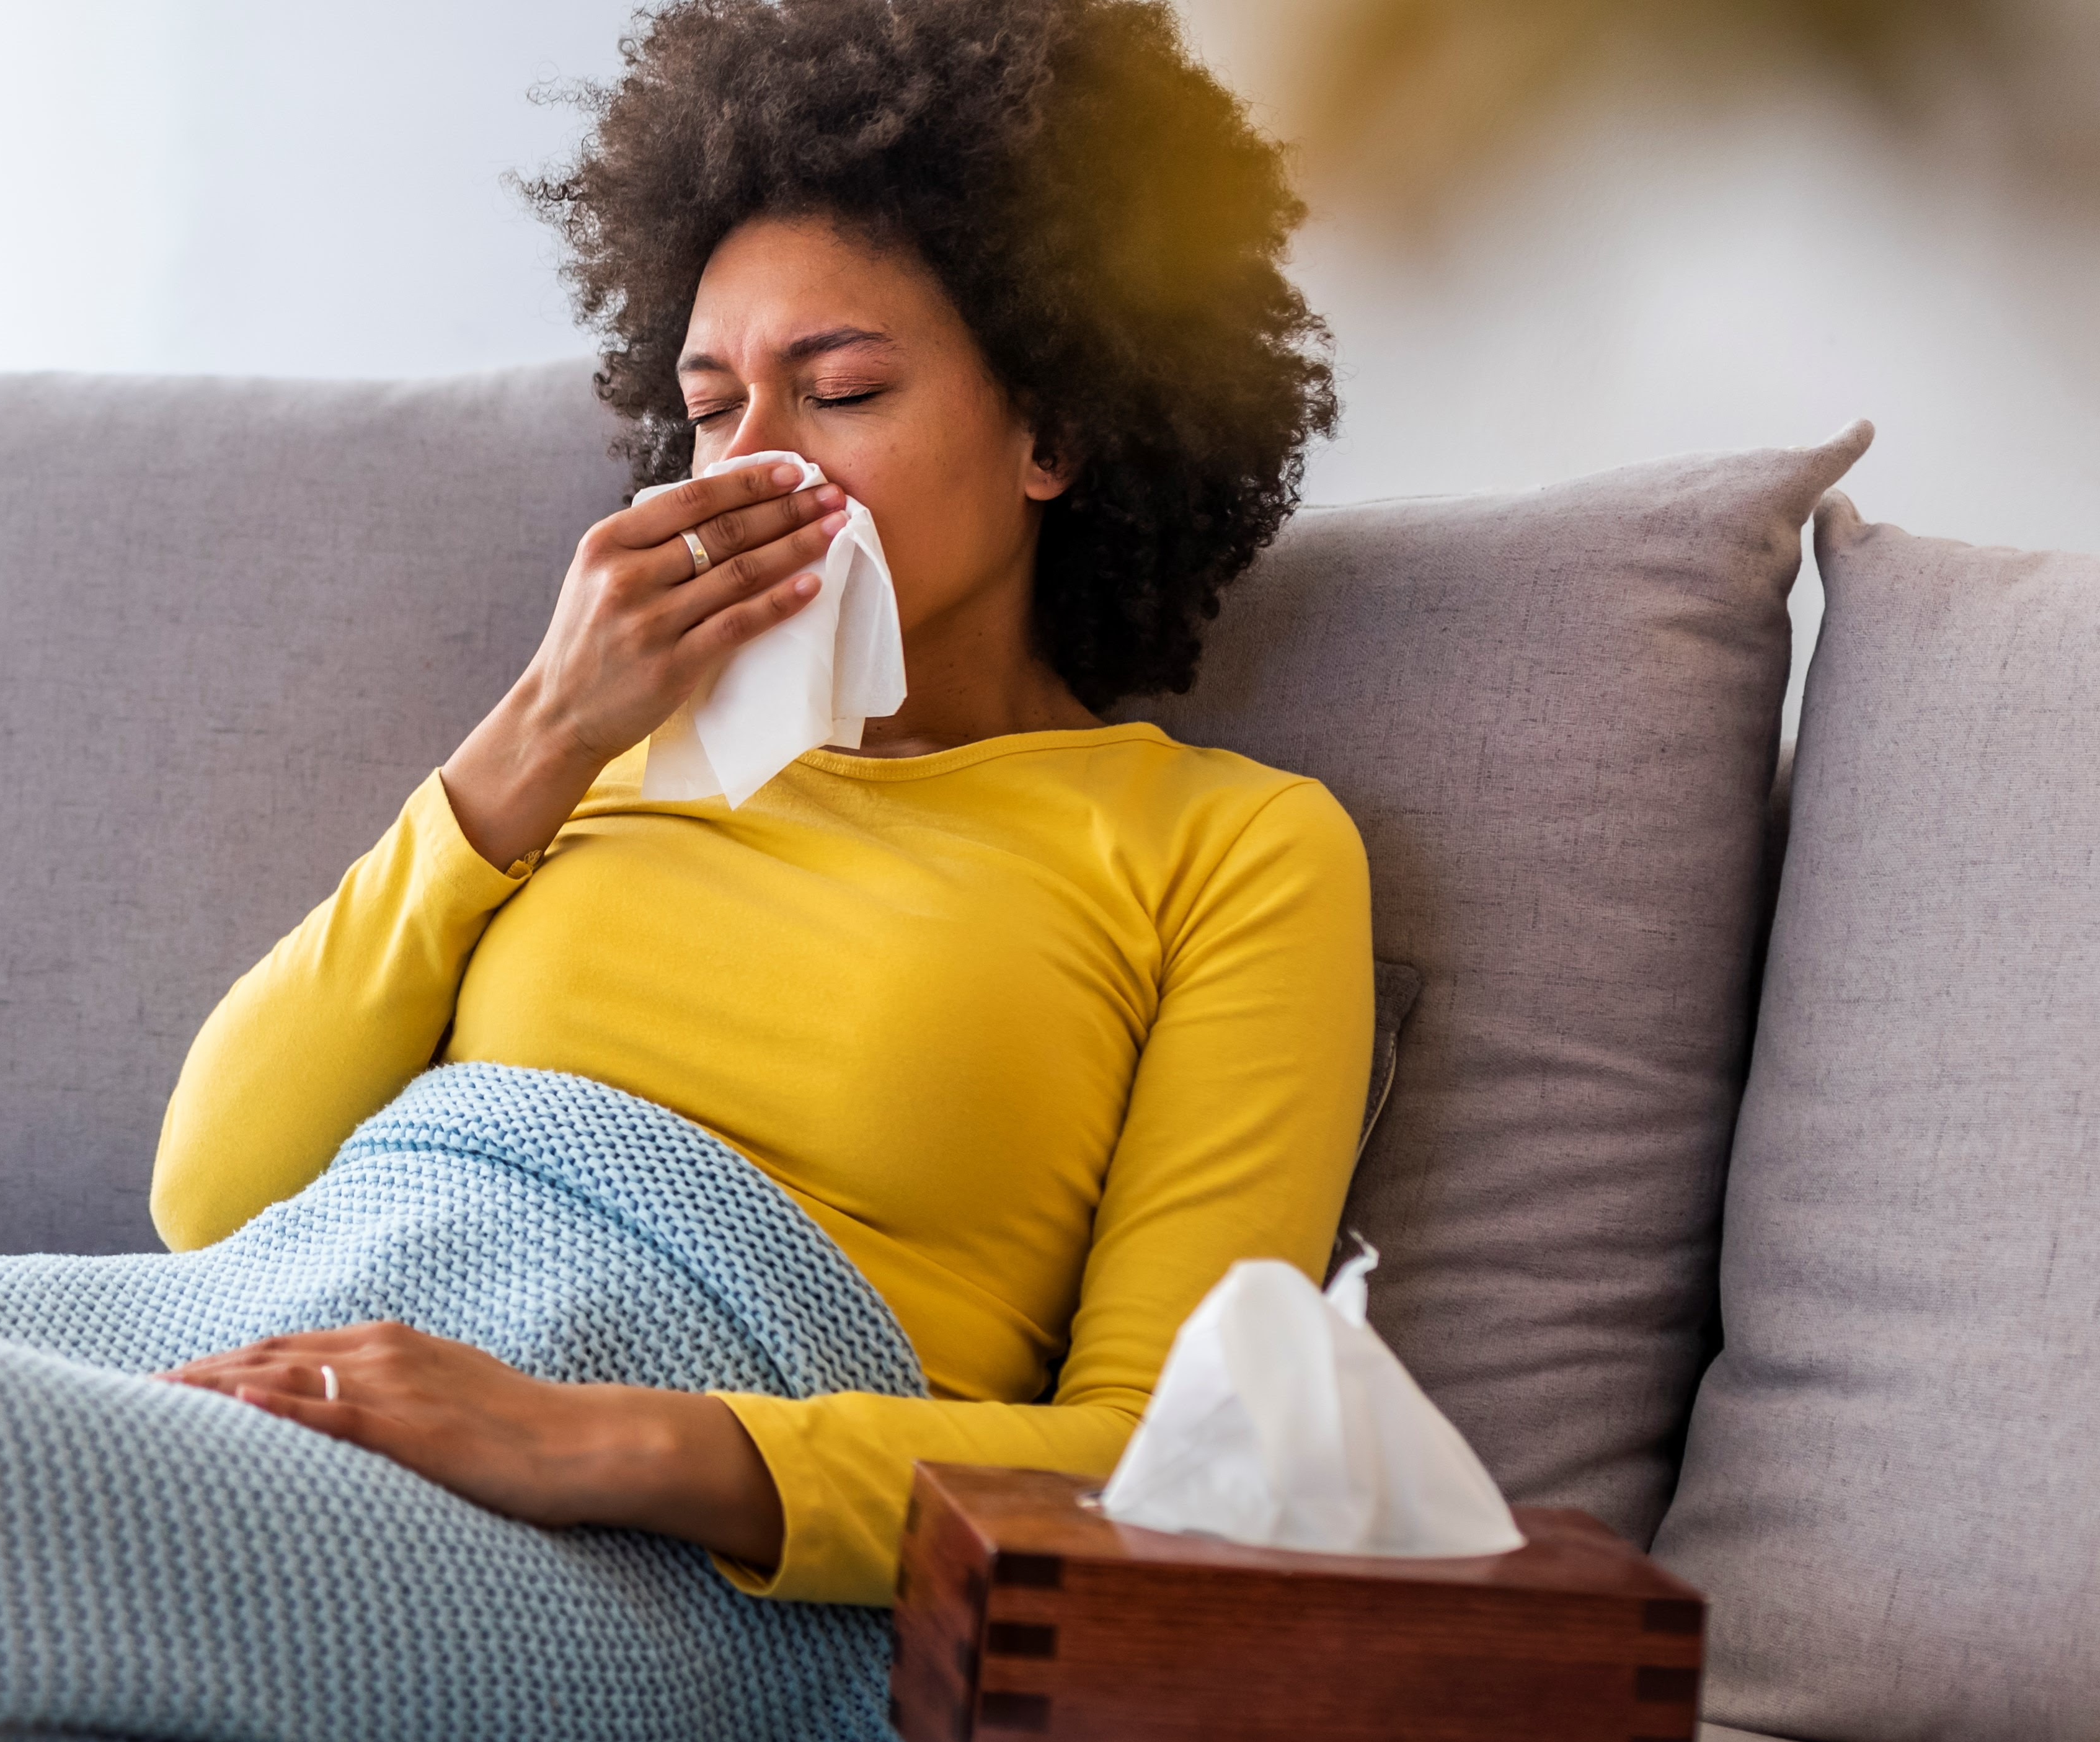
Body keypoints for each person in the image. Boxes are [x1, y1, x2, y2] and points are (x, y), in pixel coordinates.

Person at [149, 0, 1365, 1607]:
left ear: (1054, 428)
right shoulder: (597, 759)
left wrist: (591, 1445)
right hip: (258, 1379)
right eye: (713, 407)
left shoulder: (1225, 850)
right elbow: (209, 1196)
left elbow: (1164, 1465)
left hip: (632, 1569)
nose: (752, 467)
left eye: (839, 389)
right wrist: (543, 729)